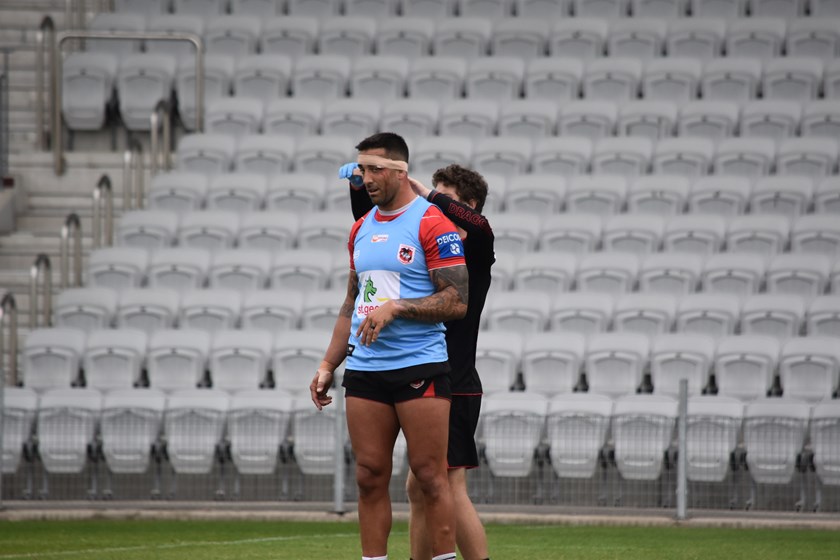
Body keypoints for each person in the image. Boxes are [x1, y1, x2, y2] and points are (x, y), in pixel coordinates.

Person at [311, 132, 469, 560]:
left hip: (420, 365)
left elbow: (457, 301)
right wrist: (329, 363)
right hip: (366, 369)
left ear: (400, 172)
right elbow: (352, 301)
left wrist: (397, 307)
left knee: (431, 477)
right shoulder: (360, 229)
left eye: (374, 169)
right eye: (361, 169)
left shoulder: (432, 221)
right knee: (368, 475)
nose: (365, 178)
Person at [340, 161, 495, 560]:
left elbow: (476, 225)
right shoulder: (428, 237)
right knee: (420, 486)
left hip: (453, 378)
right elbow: (373, 225)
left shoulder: (473, 243)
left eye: (448, 198)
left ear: (470, 205)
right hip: (432, 371)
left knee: (447, 485)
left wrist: (426, 193)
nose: (436, 206)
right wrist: (360, 186)